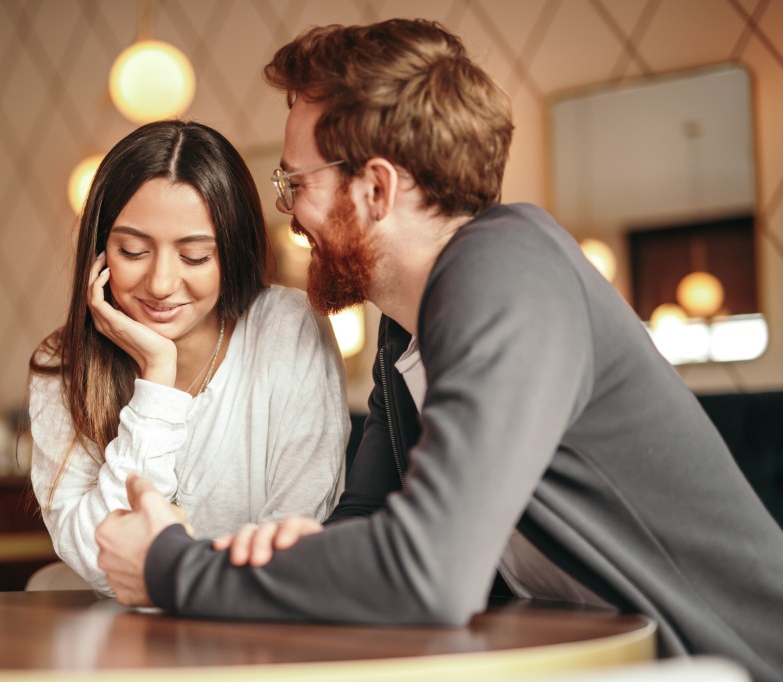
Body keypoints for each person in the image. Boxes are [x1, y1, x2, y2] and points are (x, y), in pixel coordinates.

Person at [93, 19, 783, 681]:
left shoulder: (511, 272)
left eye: (295, 184)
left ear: (377, 188)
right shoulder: (408, 326)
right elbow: (364, 519)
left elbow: (429, 571)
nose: (288, 211)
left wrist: (171, 566)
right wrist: (260, 555)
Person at [29, 120, 349, 595]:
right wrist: (157, 381)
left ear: (234, 253)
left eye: (196, 257)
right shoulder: (64, 364)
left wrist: (178, 578)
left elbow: (290, 545)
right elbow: (99, 563)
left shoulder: (289, 328)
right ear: (100, 251)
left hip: (253, 637)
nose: (159, 284)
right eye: (132, 250)